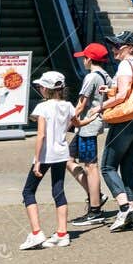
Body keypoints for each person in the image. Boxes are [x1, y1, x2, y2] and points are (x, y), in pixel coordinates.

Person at [99, 31, 133, 233]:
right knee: (128, 168)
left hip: (125, 121)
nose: (113, 49)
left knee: (107, 167)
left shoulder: (125, 65)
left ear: (129, 47)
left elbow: (122, 96)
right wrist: (109, 90)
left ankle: (124, 209)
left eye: (117, 46)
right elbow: (132, 92)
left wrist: (100, 107)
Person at [21, 71, 75, 250]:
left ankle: (36, 233)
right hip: (61, 153)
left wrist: (37, 160)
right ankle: (62, 233)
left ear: (45, 88)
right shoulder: (67, 105)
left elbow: (41, 135)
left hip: (45, 155)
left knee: (28, 191)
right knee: (58, 191)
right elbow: (73, 123)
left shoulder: (42, 107)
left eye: (40, 87)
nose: (39, 89)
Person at [67, 43, 113, 228]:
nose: (83, 60)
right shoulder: (106, 76)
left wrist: (69, 122)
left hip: (87, 126)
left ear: (89, 59)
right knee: (68, 158)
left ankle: (95, 209)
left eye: (84, 57)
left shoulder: (91, 77)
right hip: (94, 124)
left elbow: (81, 103)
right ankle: (96, 194)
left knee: (90, 166)